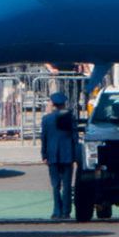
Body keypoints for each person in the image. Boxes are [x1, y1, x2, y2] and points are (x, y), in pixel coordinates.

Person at [41, 90, 79, 220]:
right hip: (67, 154)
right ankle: (66, 211)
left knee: (55, 185)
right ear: (63, 104)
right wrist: (75, 154)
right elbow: (75, 137)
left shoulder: (46, 119)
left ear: (53, 104)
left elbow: (44, 138)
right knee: (67, 185)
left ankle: (56, 211)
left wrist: (44, 155)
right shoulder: (70, 118)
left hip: (52, 154)